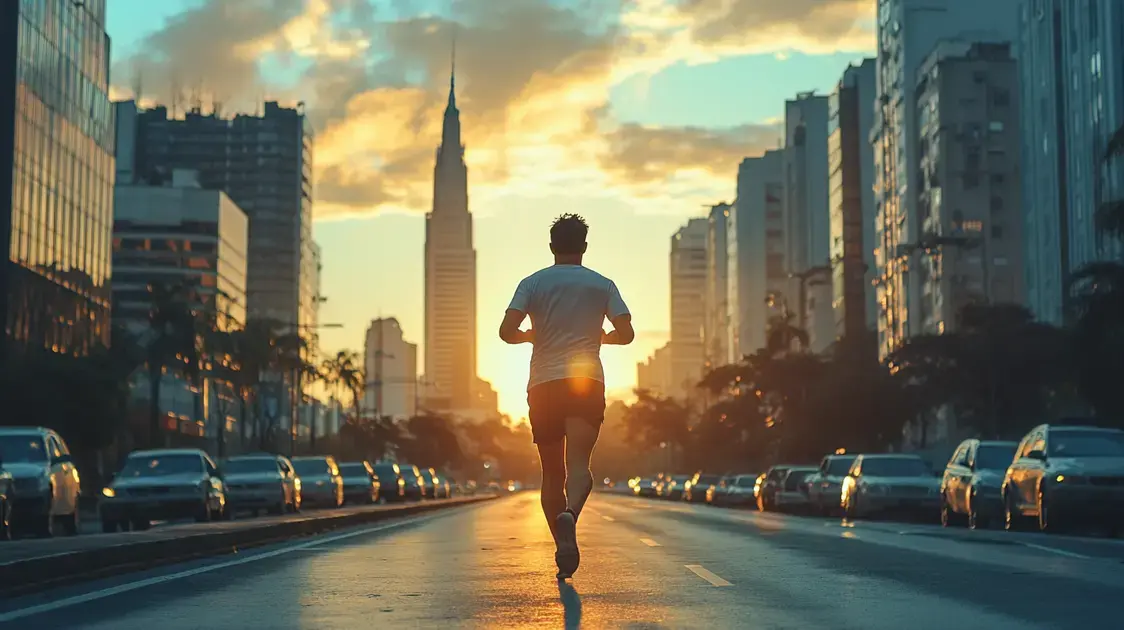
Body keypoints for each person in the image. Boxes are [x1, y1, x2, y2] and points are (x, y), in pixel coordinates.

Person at [498, 213, 634, 580]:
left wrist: (530, 335)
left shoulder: (532, 283)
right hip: (586, 382)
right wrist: (600, 337)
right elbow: (627, 333)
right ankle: (571, 514)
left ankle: (562, 543)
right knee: (578, 466)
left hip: (543, 384)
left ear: (552, 247)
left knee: (551, 473)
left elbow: (506, 331)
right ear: (584, 247)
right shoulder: (603, 285)